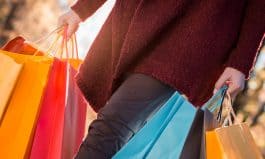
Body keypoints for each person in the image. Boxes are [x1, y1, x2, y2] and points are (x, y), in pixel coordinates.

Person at [58, 0, 265, 158]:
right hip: (135, 22)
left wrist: (241, 61)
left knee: (111, 128)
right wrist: (82, 9)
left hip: (193, 31)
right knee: (116, 131)